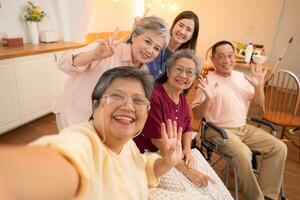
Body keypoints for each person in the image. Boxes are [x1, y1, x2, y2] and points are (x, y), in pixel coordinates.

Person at [0, 67, 184, 200]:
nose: (128, 106)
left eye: (138, 100)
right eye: (117, 96)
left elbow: (143, 168)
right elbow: (46, 169)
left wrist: (168, 161)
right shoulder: (83, 143)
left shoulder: (127, 145)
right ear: (95, 105)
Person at [192, 40, 287, 200]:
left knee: (279, 147)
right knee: (244, 153)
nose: (226, 60)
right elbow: (196, 115)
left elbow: (258, 105)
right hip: (217, 131)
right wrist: (208, 98)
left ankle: (268, 195)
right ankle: (256, 198)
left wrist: (259, 87)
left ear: (235, 57)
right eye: (221, 57)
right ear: (213, 60)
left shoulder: (242, 77)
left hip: (243, 128)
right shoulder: (207, 80)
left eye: (230, 55)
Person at [134, 49, 233, 200]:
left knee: (213, 187)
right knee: (197, 193)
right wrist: (188, 171)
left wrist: (187, 150)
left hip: (175, 153)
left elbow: (187, 126)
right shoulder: (154, 96)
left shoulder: (181, 97)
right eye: (179, 69)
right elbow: (157, 140)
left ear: (194, 77)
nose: (183, 76)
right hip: (153, 157)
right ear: (168, 70)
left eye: (189, 72)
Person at [54, 16, 170, 130]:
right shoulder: (109, 49)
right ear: (134, 36)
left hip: (102, 124)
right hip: (74, 117)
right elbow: (63, 62)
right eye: (147, 41)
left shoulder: (143, 71)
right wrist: (94, 55)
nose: (150, 50)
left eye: (156, 48)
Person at [147, 10, 199, 80]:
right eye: (180, 25)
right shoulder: (157, 40)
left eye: (188, 29)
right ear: (174, 25)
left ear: (192, 36)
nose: (182, 32)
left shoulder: (185, 59)